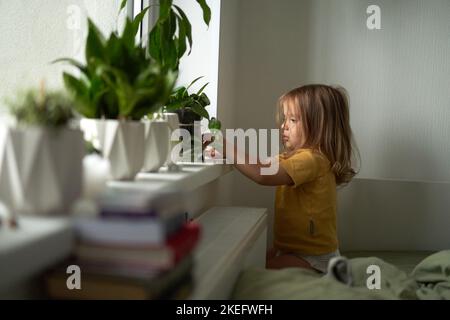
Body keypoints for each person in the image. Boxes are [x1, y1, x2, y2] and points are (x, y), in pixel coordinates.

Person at [204, 84, 358, 273]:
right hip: (289, 249)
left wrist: (222, 143)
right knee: (247, 259)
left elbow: (262, 173)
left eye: (292, 120)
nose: (283, 125)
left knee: (249, 269)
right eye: (285, 118)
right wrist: (224, 155)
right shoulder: (292, 157)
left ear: (319, 126)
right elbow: (260, 164)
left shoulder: (312, 160)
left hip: (312, 258)